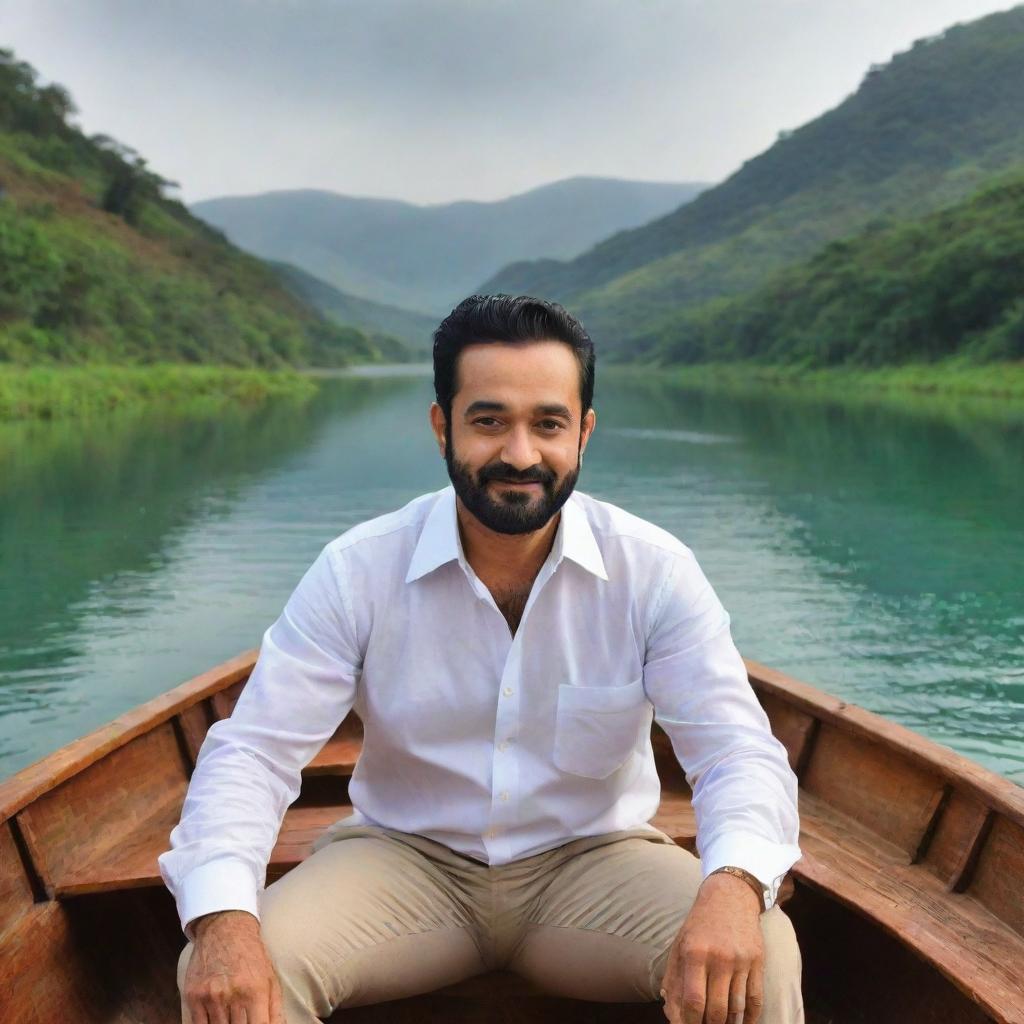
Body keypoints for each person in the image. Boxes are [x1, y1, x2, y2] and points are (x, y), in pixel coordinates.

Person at [160, 293, 804, 1024]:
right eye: (489, 421)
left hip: (593, 866)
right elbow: (254, 755)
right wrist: (222, 920)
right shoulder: (358, 570)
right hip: (404, 865)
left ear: (584, 433)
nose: (520, 454)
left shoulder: (652, 571)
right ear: (443, 427)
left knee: (763, 951)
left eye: (548, 424)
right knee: (233, 966)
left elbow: (736, 755)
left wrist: (733, 887)